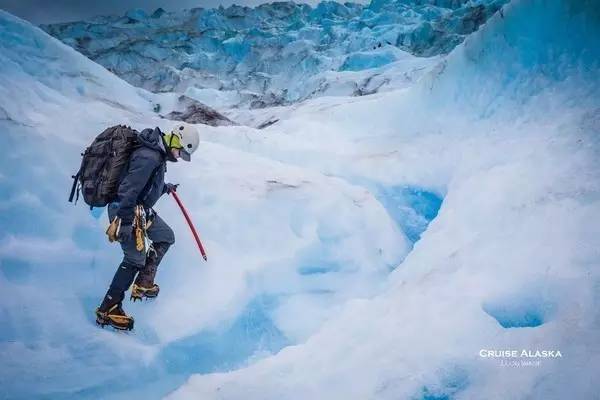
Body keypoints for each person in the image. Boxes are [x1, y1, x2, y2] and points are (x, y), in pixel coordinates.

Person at [95, 124, 200, 330]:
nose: (179, 157)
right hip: (125, 211)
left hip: (139, 211)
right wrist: (124, 222)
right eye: (181, 152)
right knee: (135, 258)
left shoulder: (157, 154)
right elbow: (128, 189)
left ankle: (144, 282)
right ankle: (108, 308)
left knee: (165, 236)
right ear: (176, 141)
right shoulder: (149, 156)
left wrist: (164, 188)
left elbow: (144, 185)